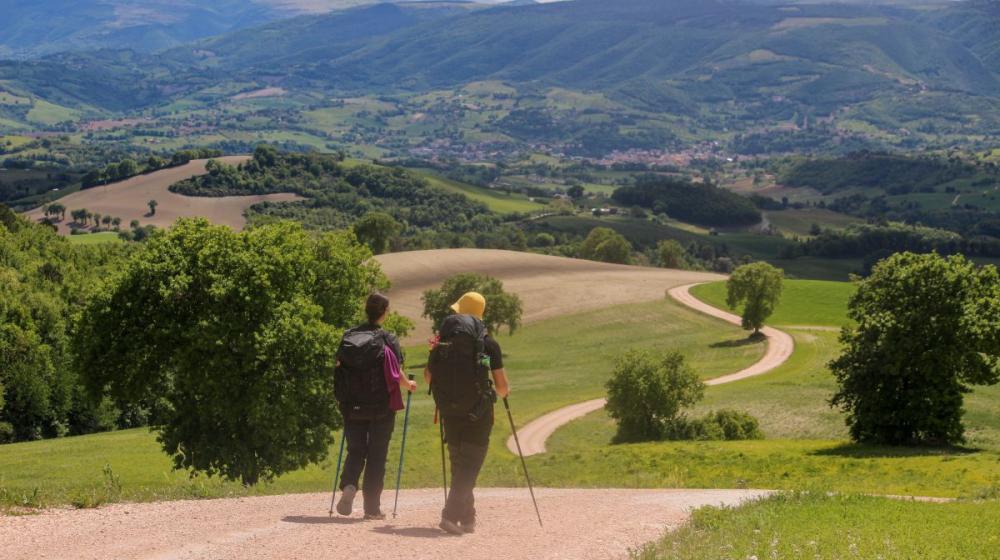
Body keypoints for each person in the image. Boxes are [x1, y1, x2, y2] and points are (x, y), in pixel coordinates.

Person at [425, 291, 510, 535]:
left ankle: (468, 517)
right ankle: (450, 516)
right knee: (470, 466)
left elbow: (428, 376)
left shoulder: (442, 341)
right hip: (478, 414)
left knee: (459, 464)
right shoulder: (488, 343)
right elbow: (502, 389)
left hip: (449, 412)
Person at [334, 293, 417, 520]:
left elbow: (339, 366)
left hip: (352, 406)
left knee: (356, 449)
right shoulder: (388, 338)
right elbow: (396, 372)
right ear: (384, 312)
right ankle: (372, 509)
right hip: (381, 407)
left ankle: (349, 485)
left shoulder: (349, 336)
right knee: (377, 455)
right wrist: (409, 384)